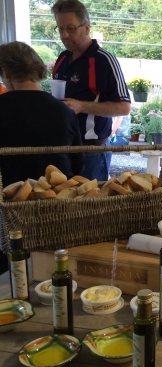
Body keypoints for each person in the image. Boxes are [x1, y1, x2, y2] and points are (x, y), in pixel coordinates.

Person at [0, 41, 84, 275]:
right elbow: (78, 166)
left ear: (6, 73)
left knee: (10, 278)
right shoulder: (64, 111)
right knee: (53, 273)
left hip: (9, 214)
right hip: (55, 213)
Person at [51, 0, 131, 181]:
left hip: (92, 151)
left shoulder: (104, 60)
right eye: (60, 28)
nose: (64, 35)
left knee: (91, 208)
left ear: (86, 28)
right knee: (64, 207)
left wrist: (81, 106)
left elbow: (124, 107)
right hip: (63, 148)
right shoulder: (62, 58)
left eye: (70, 28)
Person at [0, 41, 84, 187]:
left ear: (6, 74)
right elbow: (78, 163)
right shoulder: (64, 110)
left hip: (11, 198)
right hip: (56, 197)